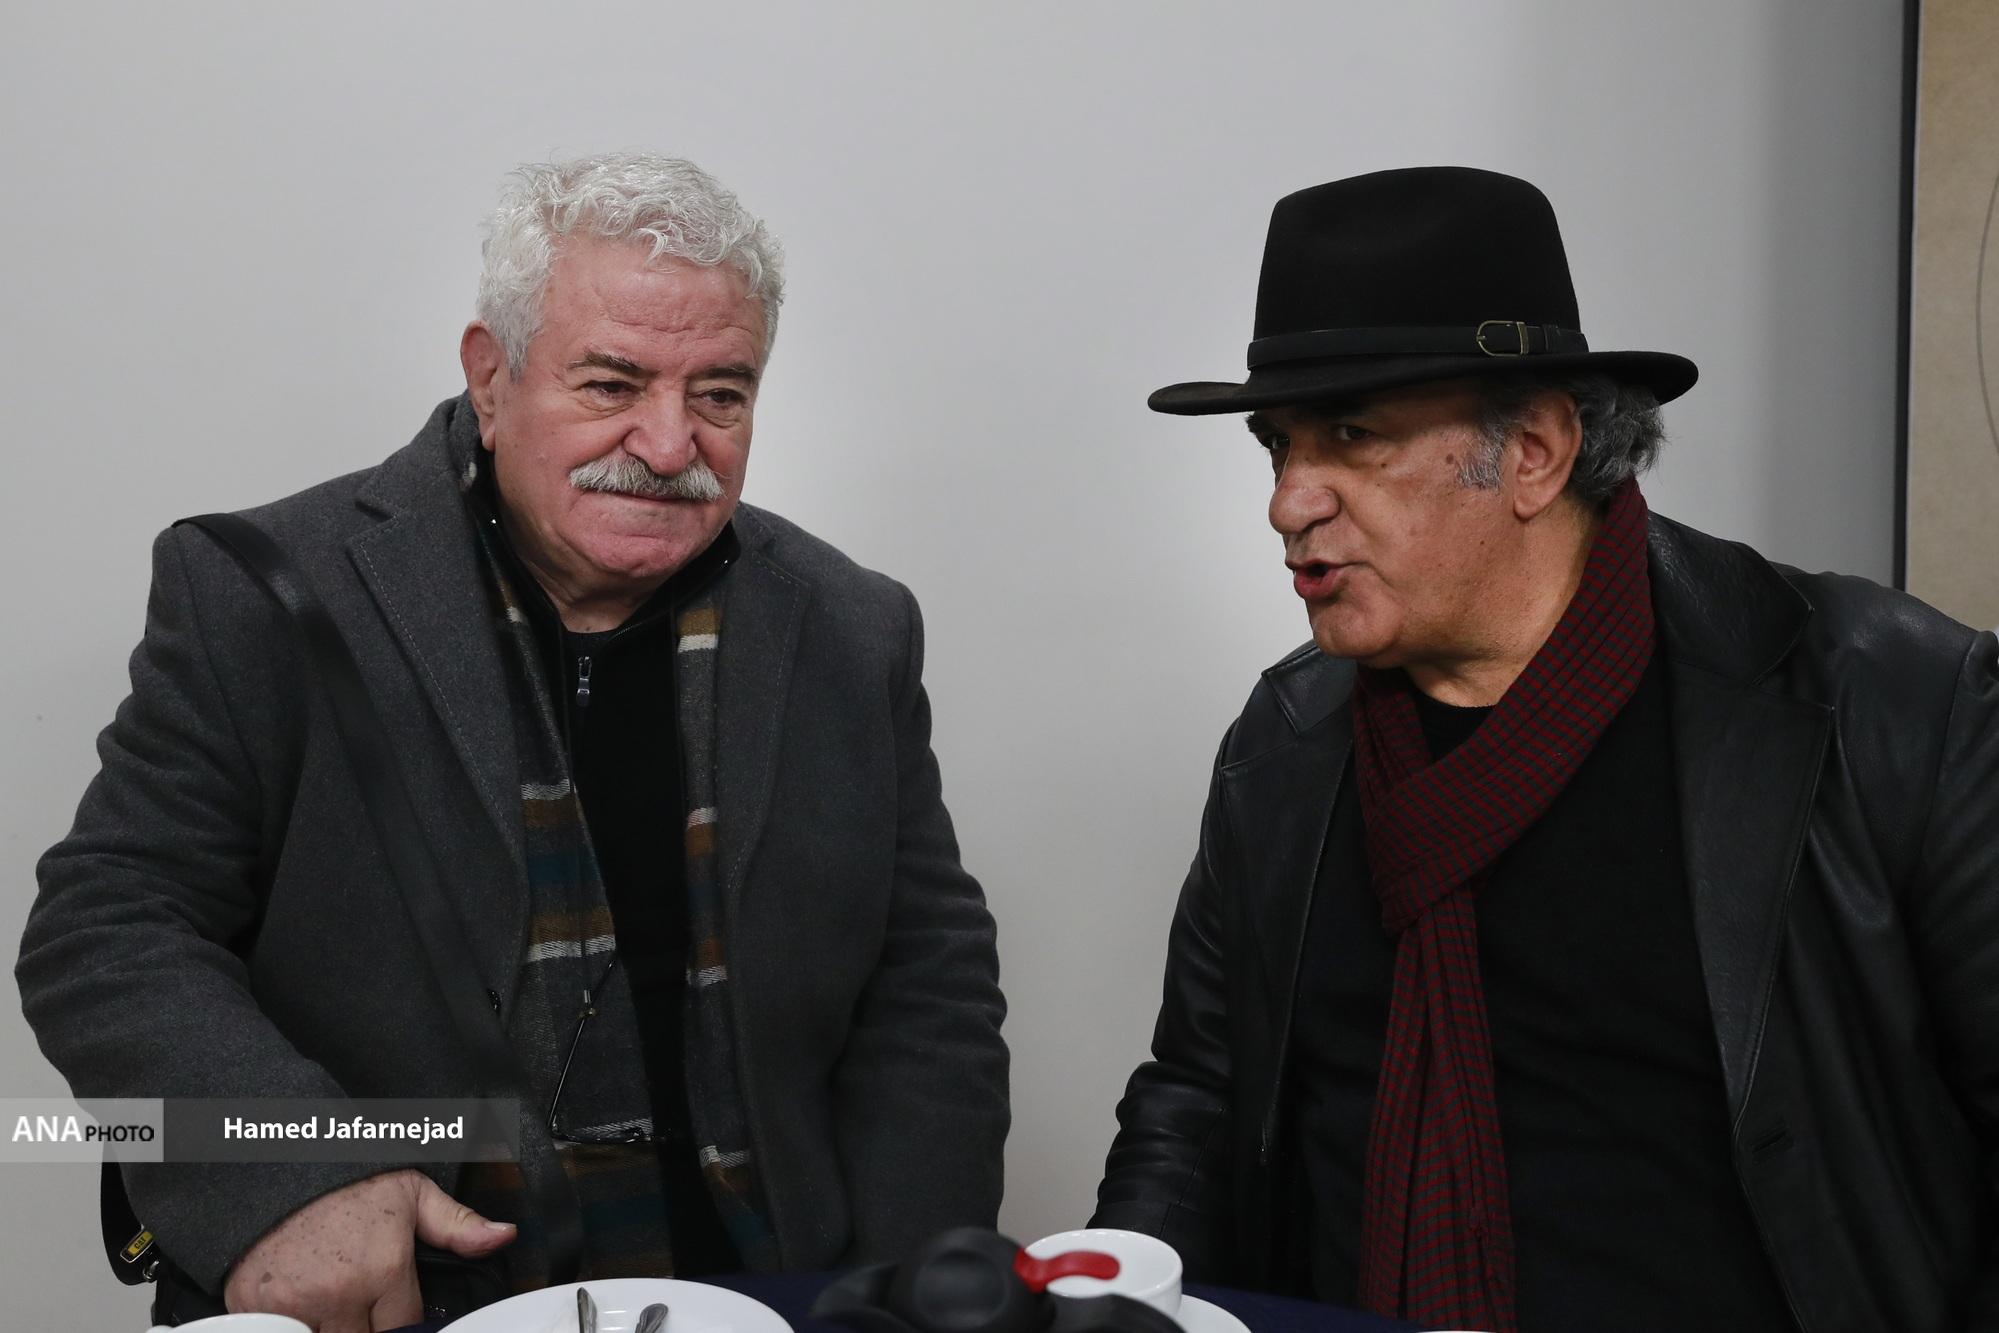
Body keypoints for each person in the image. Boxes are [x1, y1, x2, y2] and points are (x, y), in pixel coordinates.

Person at [18, 151, 1009, 1330]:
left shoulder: (854, 625)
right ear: (490, 379)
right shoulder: (259, 590)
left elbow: (927, 983)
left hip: (769, 1295)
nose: (667, 443)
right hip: (403, 1301)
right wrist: (287, 1177)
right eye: (611, 382)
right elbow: (109, 926)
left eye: (720, 394)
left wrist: (903, 1293)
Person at [1089, 166, 1999, 1333]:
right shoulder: (1284, 746)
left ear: (1534, 451)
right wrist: (1119, 1288)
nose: (1288, 502)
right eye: (1278, 446)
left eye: (1351, 437)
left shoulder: (1883, 703)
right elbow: (1199, 1096)